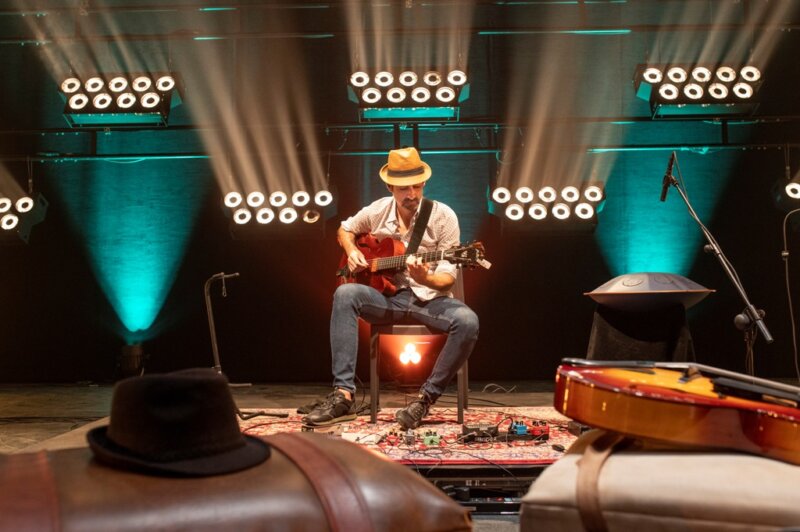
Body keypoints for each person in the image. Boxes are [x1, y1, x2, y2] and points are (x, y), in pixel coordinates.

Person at [304, 147, 479, 430]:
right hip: (388, 299)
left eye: (416, 186)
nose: (411, 194)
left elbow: (447, 279)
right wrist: (351, 251)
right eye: (403, 188)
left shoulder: (444, 217)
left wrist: (426, 279)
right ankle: (342, 395)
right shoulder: (378, 210)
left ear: (424, 183)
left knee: (468, 321)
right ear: (390, 187)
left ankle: (423, 400)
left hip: (430, 302)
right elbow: (344, 229)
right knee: (345, 293)